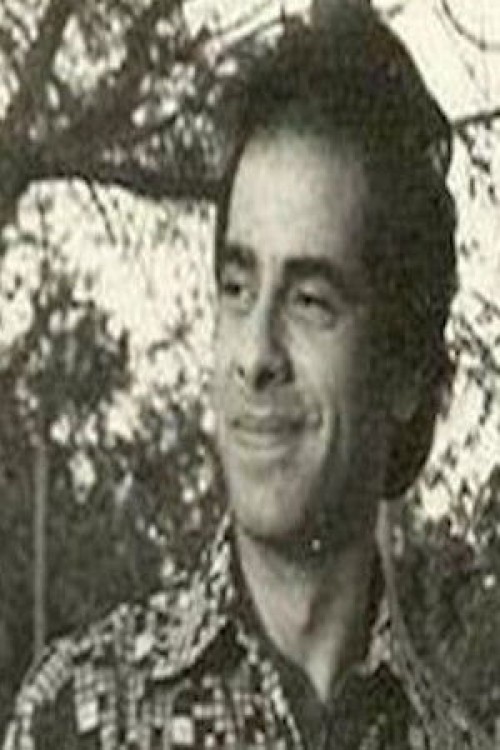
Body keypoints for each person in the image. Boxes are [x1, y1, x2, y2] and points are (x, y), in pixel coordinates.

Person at [2, 3, 493, 749]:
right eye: (237, 288)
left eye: (310, 299)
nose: (254, 353)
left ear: (403, 370)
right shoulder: (76, 717)